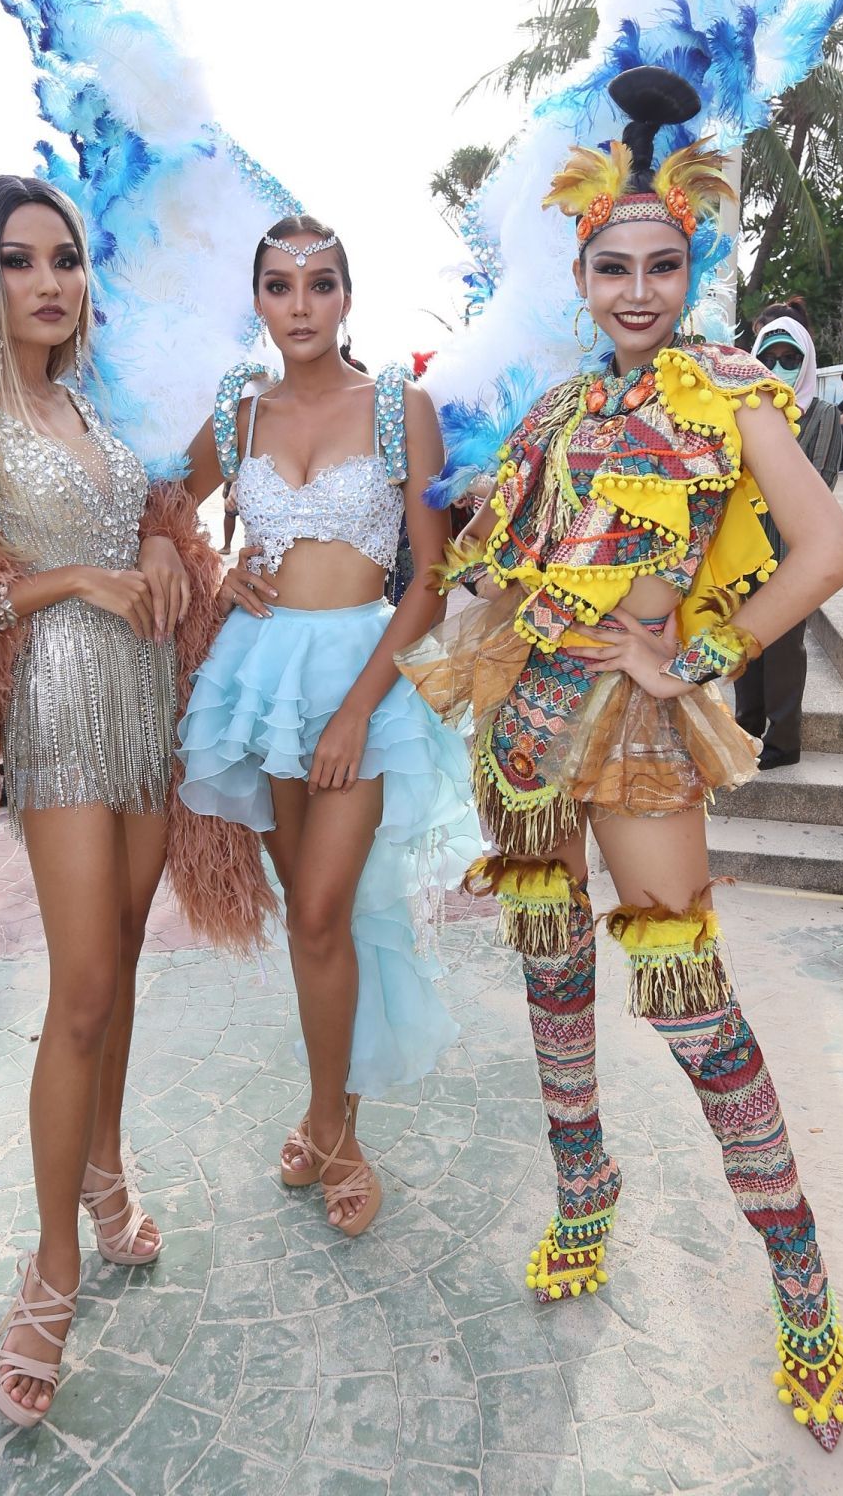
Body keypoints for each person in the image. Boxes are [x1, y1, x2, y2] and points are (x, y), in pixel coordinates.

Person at [399, 69, 843, 1451]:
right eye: (615, 267)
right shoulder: (553, 410)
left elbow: (828, 550)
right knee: (551, 979)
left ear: (693, 266)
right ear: (582, 275)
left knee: (693, 1008)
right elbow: (495, 560)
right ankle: (582, 1194)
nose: (639, 289)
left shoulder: (728, 389)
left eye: (663, 265)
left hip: (644, 733)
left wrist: (698, 653)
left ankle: (799, 1279)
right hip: (526, 732)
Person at [0, 174, 266, 1431]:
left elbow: (162, 496)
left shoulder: (98, 396)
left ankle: (103, 1166)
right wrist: (66, 583)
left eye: (65, 257)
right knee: (83, 984)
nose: (50, 281)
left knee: (125, 952)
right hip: (55, 707)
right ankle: (50, 1266)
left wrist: (151, 543)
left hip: (147, 696)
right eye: (20, 259)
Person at [178, 214, 483, 1237]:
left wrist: (358, 708)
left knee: (319, 912)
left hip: (367, 679)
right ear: (258, 299)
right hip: (264, 680)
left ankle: (332, 1130)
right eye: (279, 285)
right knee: (313, 918)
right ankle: (330, 1113)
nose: (299, 305)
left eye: (319, 284)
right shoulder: (239, 412)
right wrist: (214, 571)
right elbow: (159, 514)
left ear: (347, 296)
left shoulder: (398, 406)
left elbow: (431, 577)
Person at [735, 306, 842, 768]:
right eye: (770, 358)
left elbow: (820, 481)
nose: (778, 367)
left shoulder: (822, 414)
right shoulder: (747, 410)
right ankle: (744, 729)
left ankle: (782, 741)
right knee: (743, 643)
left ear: (806, 361)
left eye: (790, 358)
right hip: (743, 549)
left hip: (792, 554)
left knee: (782, 648)